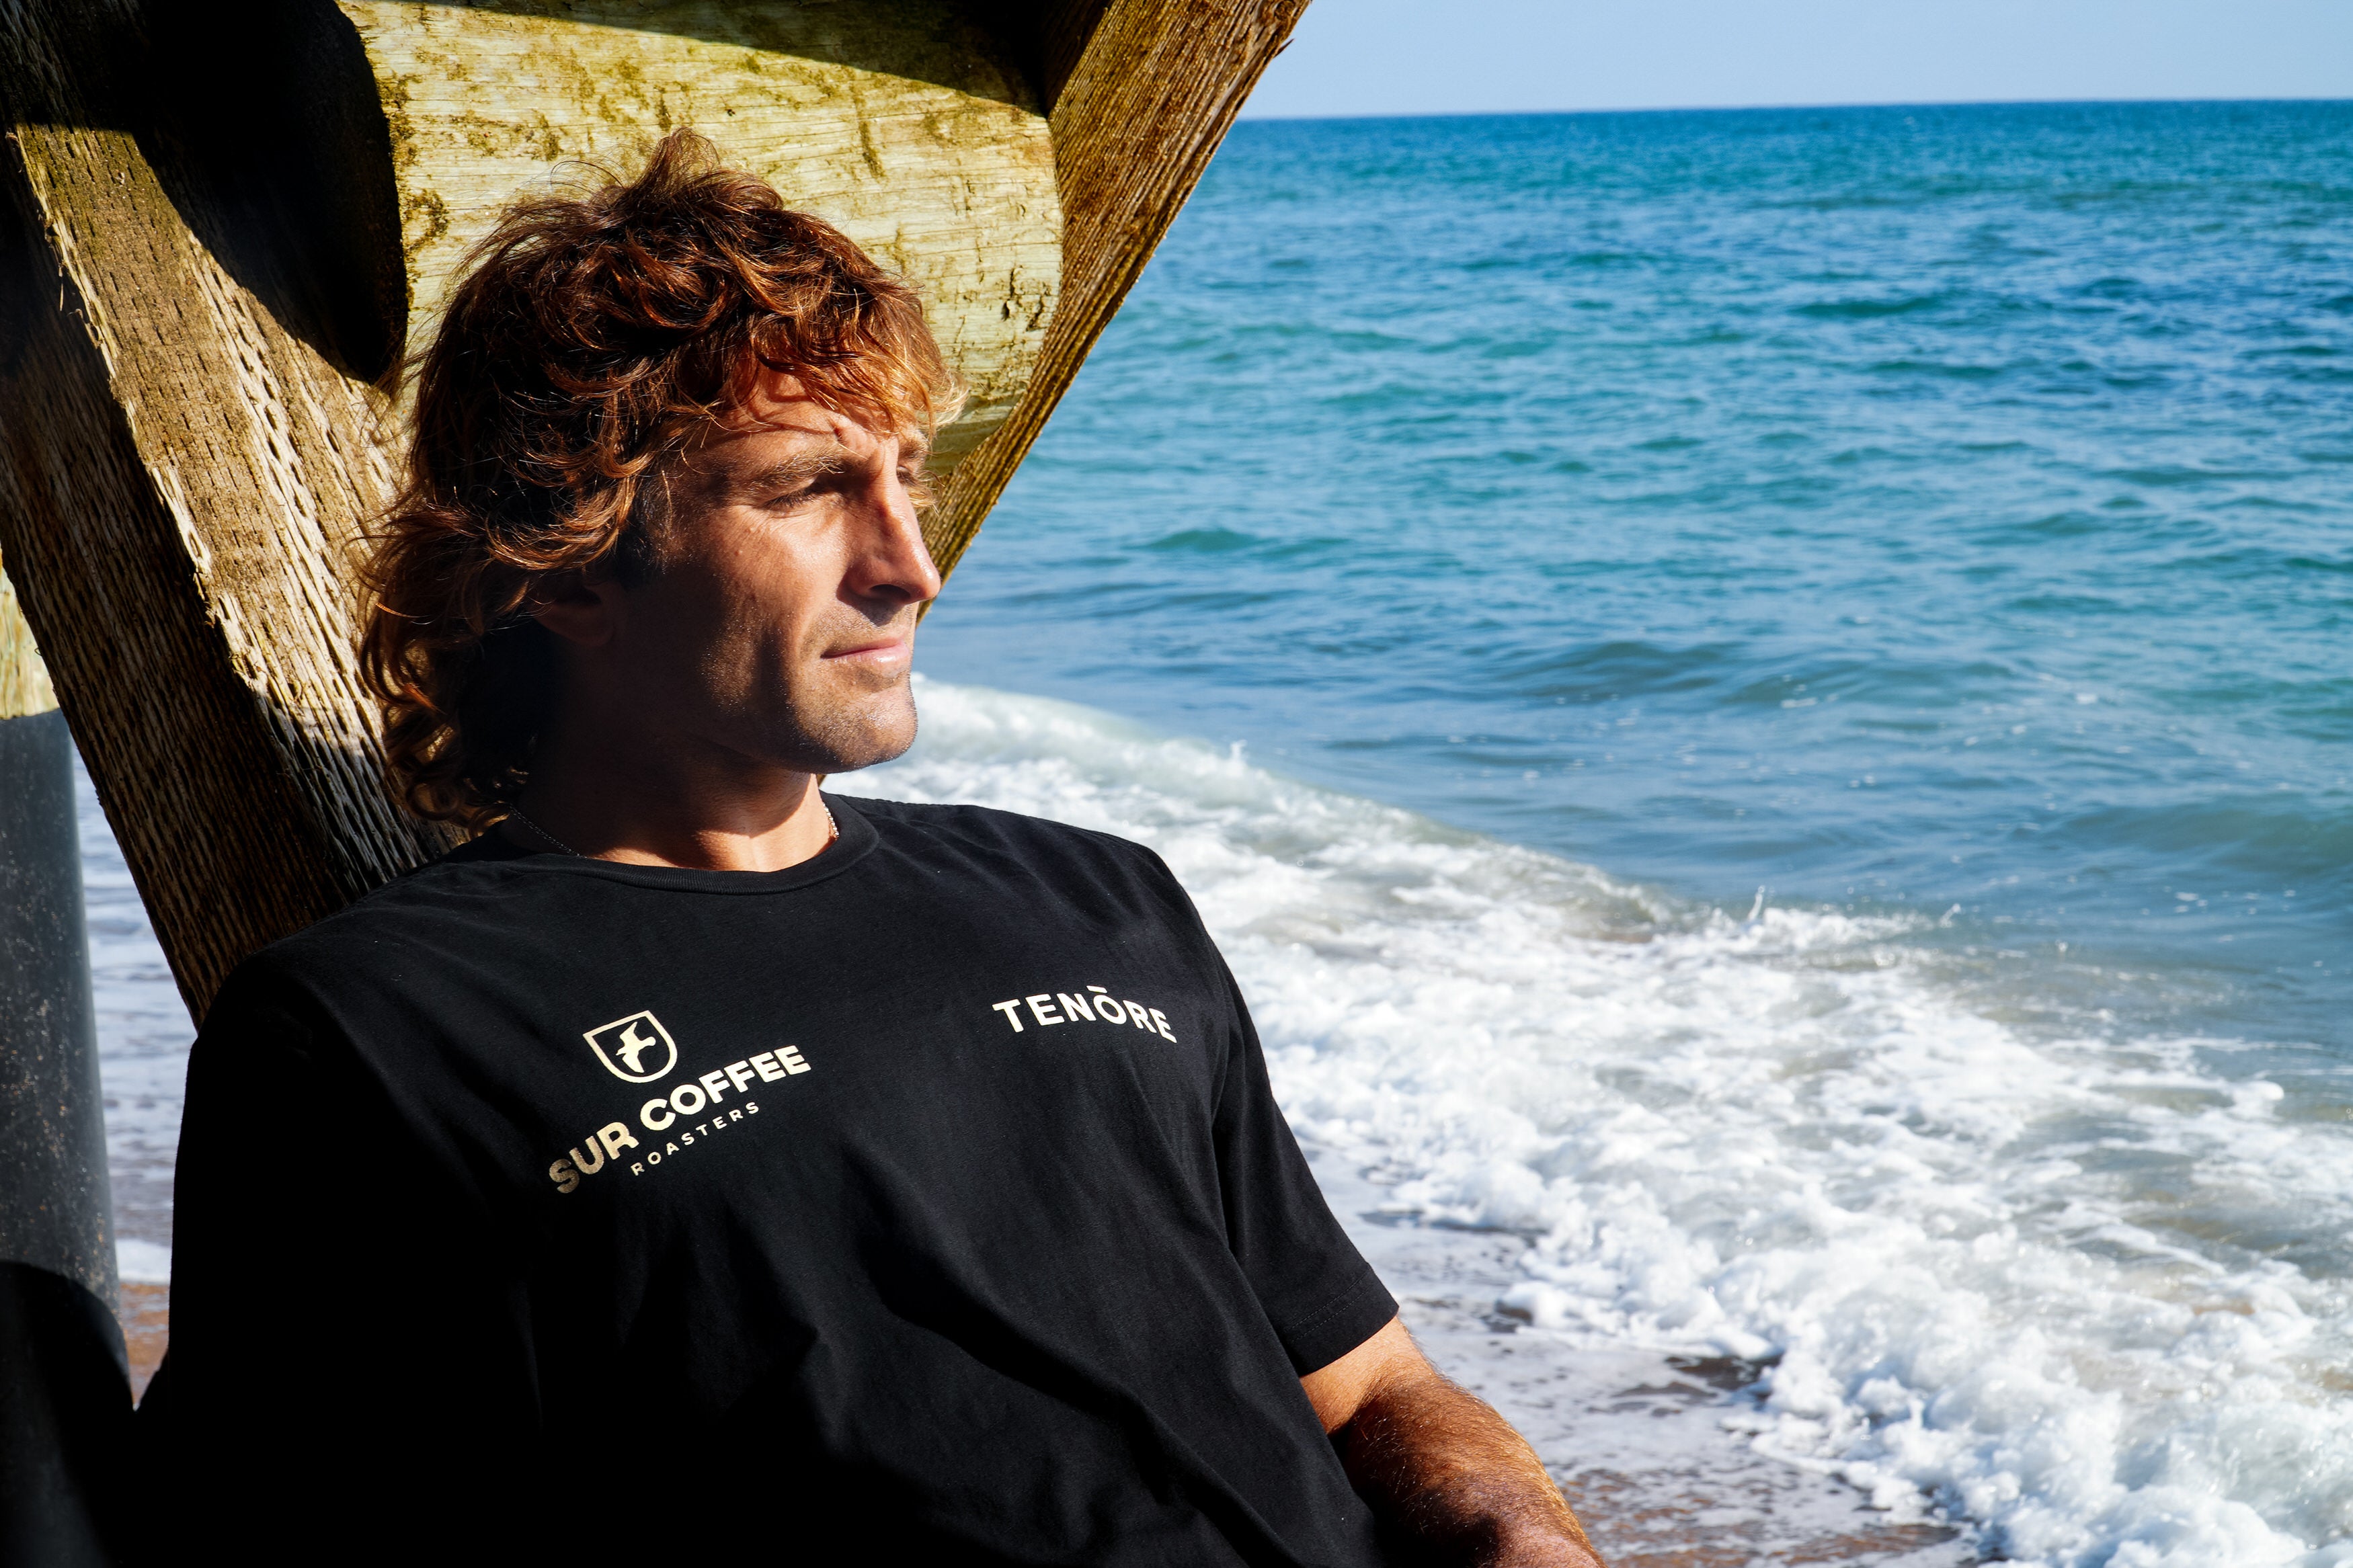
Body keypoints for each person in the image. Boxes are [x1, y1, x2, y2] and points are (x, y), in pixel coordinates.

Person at [138, 130, 1605, 1567]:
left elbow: (1368, 1384)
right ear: (571, 564)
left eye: (909, 476)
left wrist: (1521, 1535)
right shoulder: (372, 1034)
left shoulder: (1099, 897)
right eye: (807, 488)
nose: (914, 567)